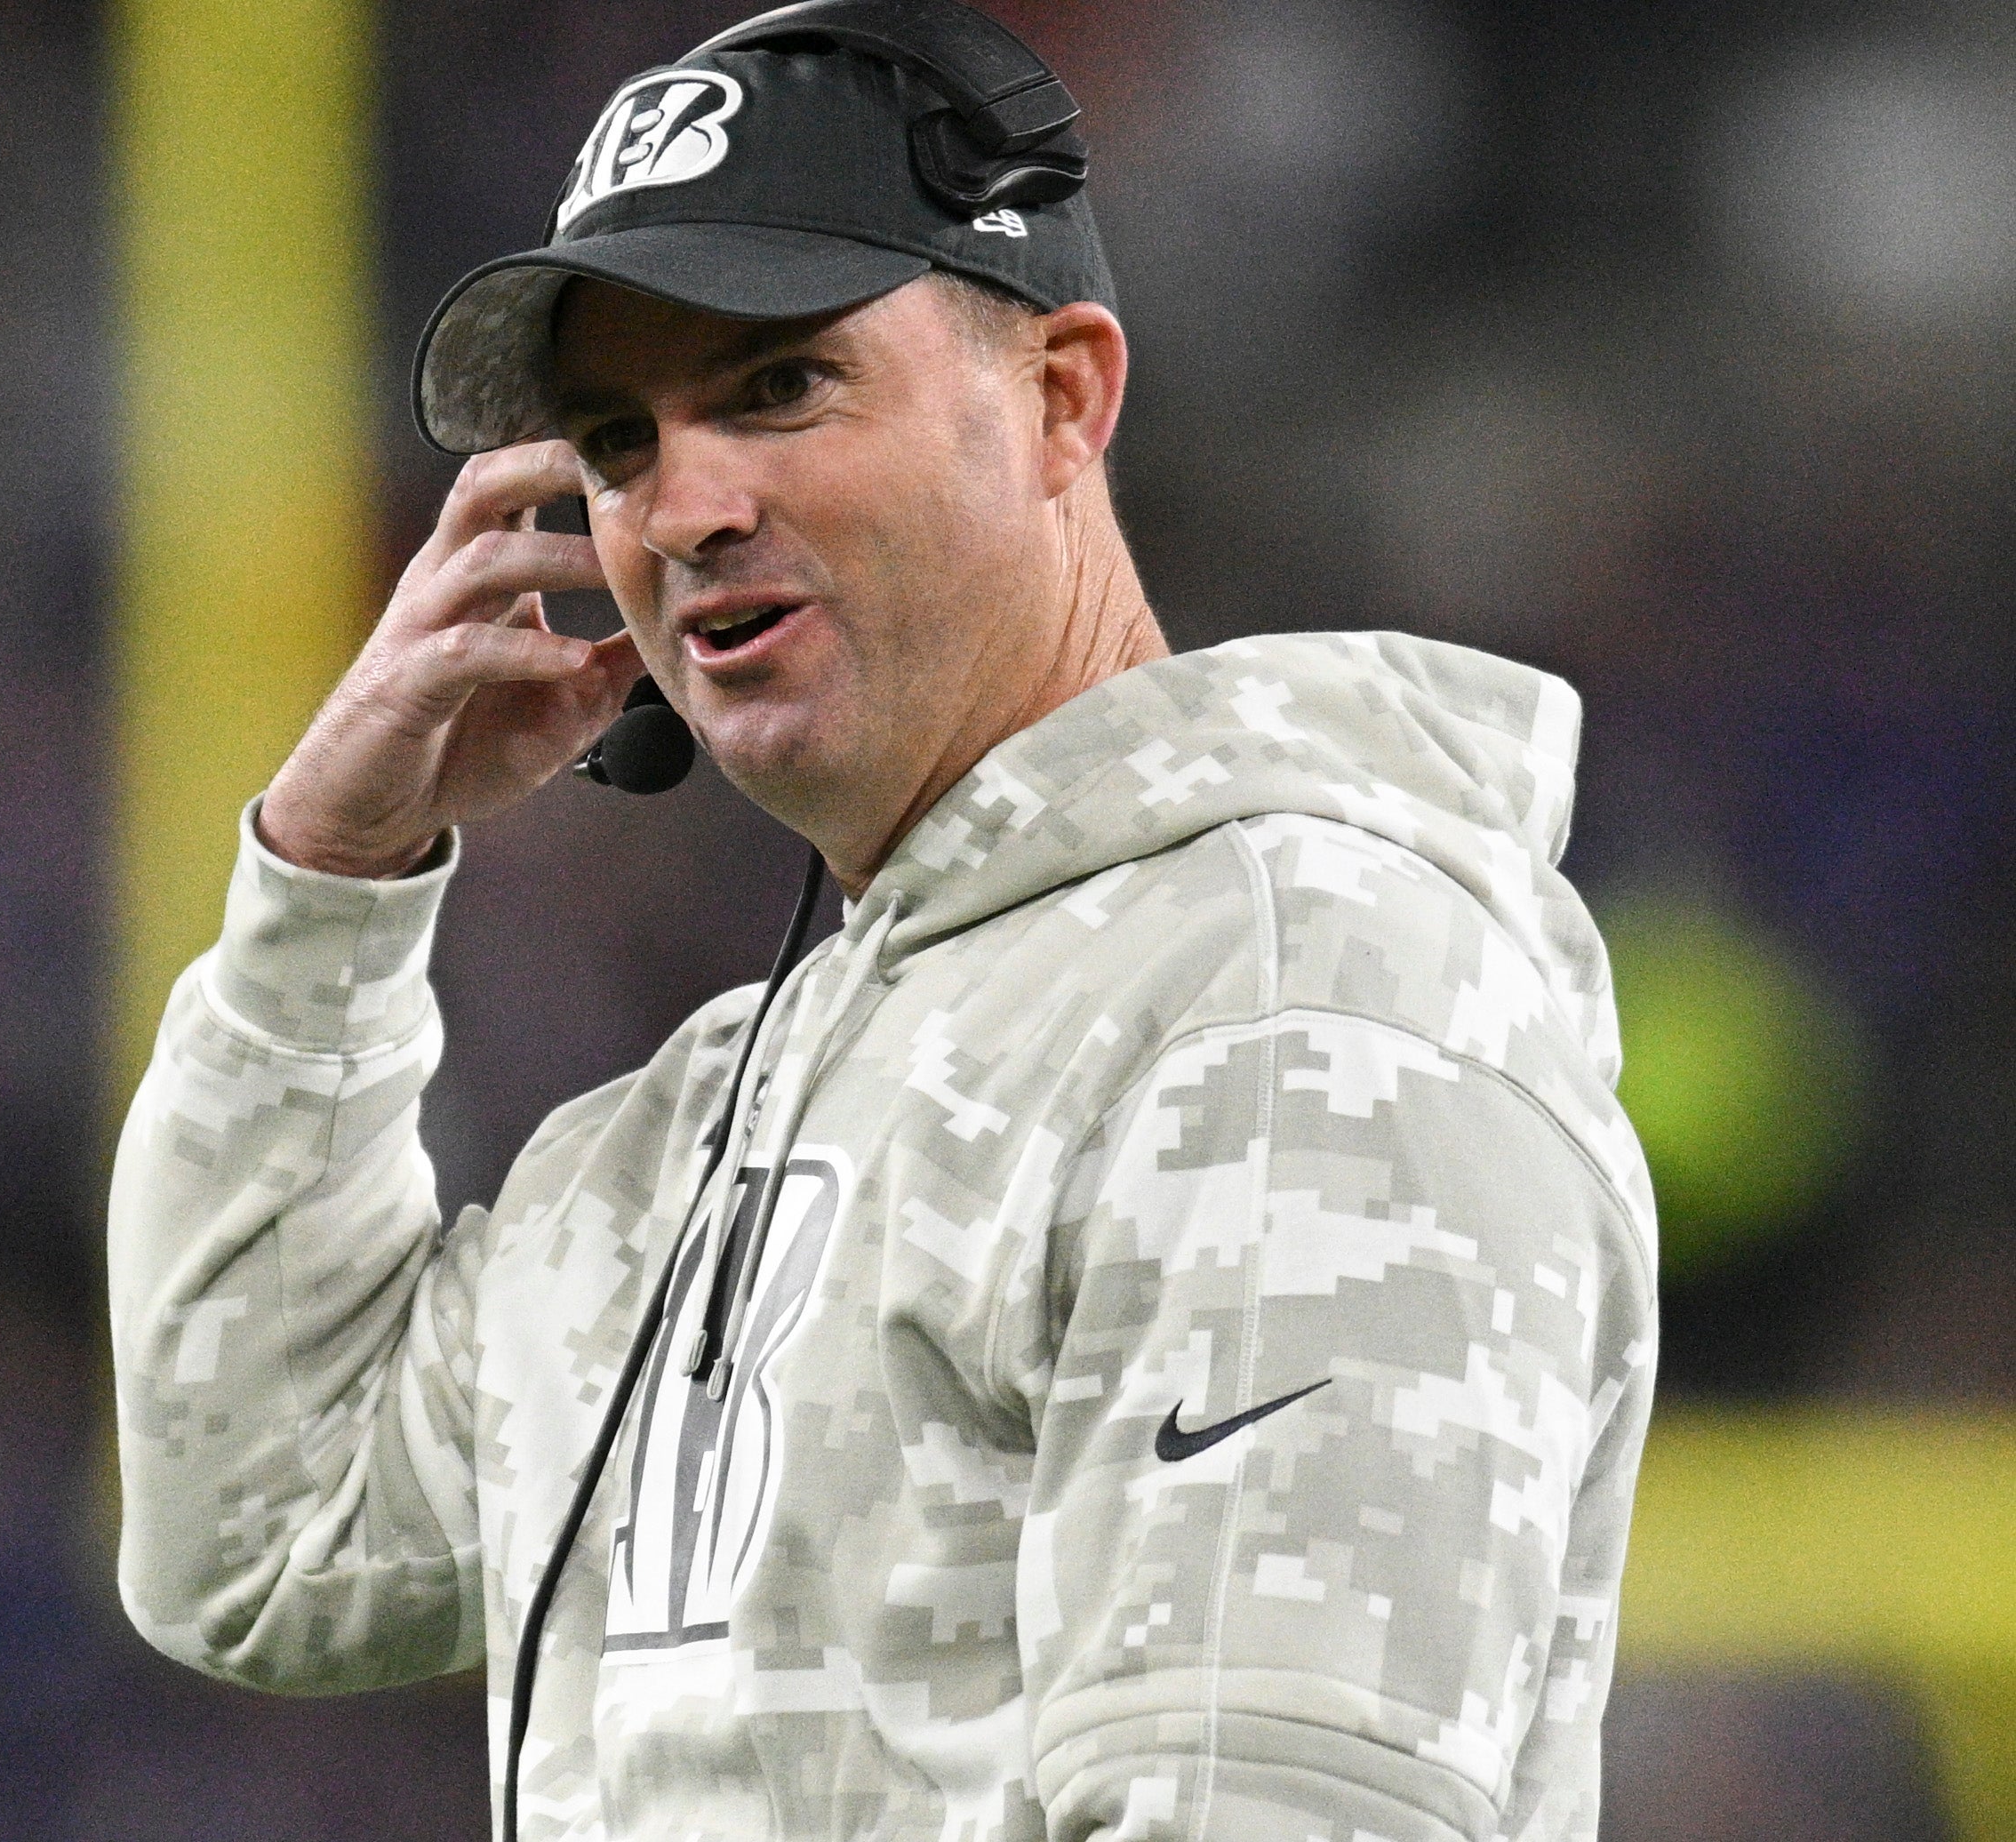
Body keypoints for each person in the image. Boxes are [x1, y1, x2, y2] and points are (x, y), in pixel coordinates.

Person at [108, 4, 1657, 1838]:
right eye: (611, 442)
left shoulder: (1289, 989)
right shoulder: (709, 1111)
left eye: (775, 387)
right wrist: (326, 881)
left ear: (1060, 398)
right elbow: (266, 1535)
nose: (679, 504)